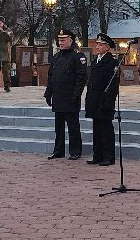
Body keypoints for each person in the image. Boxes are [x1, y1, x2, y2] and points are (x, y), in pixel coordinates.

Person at [45, 29, 87, 160]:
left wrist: (76, 95)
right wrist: (48, 92)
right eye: (59, 40)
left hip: (70, 97)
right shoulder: (57, 57)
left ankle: (75, 151)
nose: (60, 43)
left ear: (71, 40)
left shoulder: (77, 57)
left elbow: (81, 78)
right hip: (58, 96)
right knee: (59, 127)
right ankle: (59, 150)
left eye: (63, 40)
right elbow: (51, 76)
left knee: (73, 126)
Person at [85, 33, 120, 167]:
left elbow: (112, 86)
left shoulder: (111, 63)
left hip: (104, 101)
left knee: (106, 130)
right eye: (97, 44)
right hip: (94, 100)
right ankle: (97, 155)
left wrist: (108, 103)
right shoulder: (96, 61)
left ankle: (108, 156)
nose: (97, 46)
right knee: (96, 130)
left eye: (100, 44)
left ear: (107, 47)